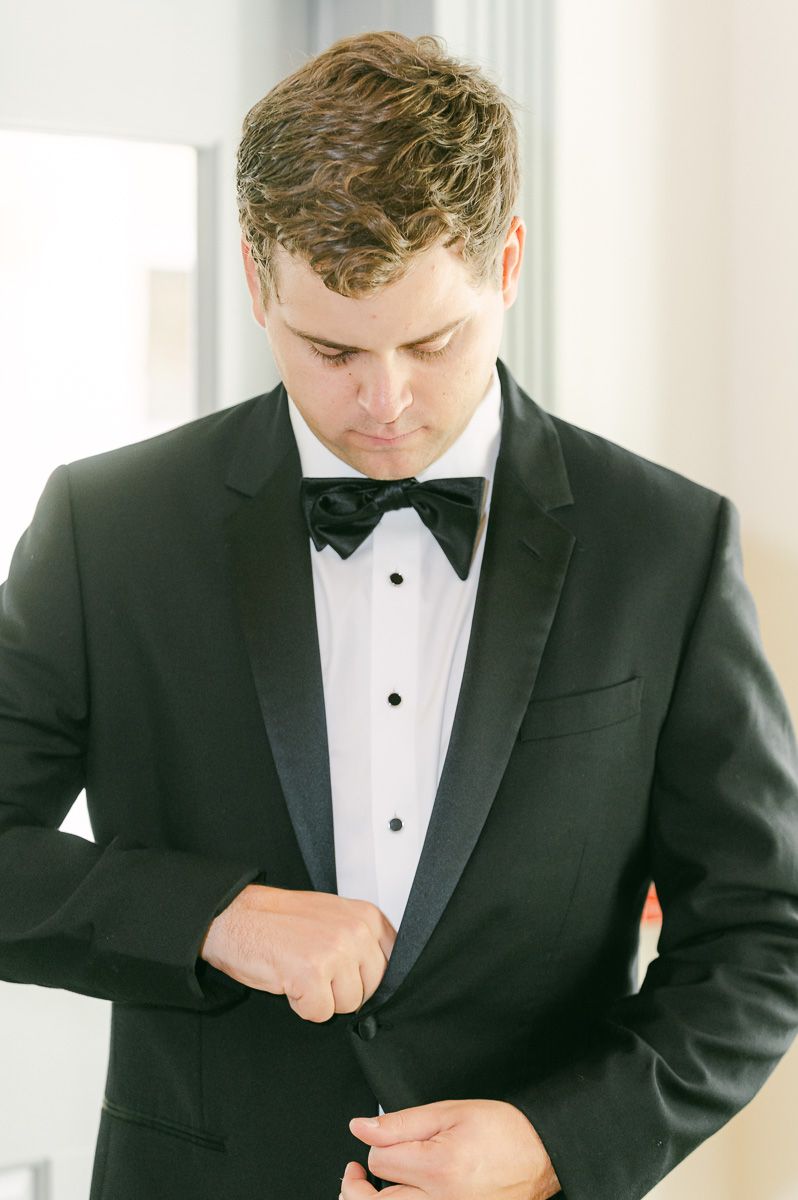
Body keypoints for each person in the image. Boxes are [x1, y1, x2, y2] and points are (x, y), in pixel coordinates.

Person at [1, 28, 797, 1200]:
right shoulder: (108, 527)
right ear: (256, 279)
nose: (384, 402)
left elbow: (762, 932)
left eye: (434, 341)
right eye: (331, 349)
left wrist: (554, 1144)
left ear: (508, 261)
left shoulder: (665, 546)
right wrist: (210, 917)